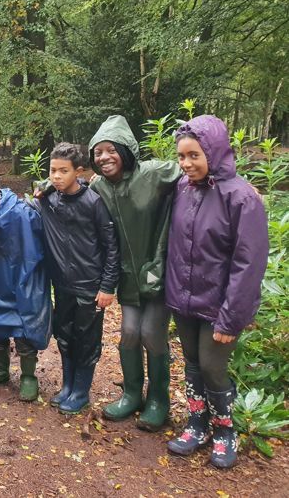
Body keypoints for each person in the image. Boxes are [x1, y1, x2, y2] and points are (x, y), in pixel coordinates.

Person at [165, 115, 268, 468]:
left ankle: (225, 430)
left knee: (212, 367)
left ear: (214, 152)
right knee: (193, 364)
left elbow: (249, 263)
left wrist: (231, 318)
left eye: (194, 155)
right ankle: (197, 424)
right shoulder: (182, 188)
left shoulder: (241, 198)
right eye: (181, 156)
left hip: (219, 305)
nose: (186, 163)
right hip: (184, 299)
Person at [88, 115, 181, 431]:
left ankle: (158, 400)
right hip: (127, 276)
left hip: (158, 271)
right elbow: (73, 189)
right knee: (129, 332)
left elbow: (192, 168)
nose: (104, 157)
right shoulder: (98, 186)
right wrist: (47, 186)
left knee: (152, 333)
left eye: (111, 150)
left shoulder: (153, 173)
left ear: (126, 150)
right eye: (98, 152)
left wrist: (232, 183)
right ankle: (131, 393)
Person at [33, 143, 120, 413]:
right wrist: (45, 188)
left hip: (90, 286)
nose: (57, 176)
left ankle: (81, 391)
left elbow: (111, 246)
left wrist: (107, 285)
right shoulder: (49, 200)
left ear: (78, 171)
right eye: (53, 170)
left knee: (87, 339)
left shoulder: (93, 202)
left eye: (64, 171)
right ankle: (68, 386)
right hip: (62, 284)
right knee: (65, 335)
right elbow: (33, 200)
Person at [0, 172, 51, 401]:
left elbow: (33, 250)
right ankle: (1, 370)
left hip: (23, 279)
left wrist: (26, 281)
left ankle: (28, 377)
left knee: (24, 330)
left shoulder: (19, 213)